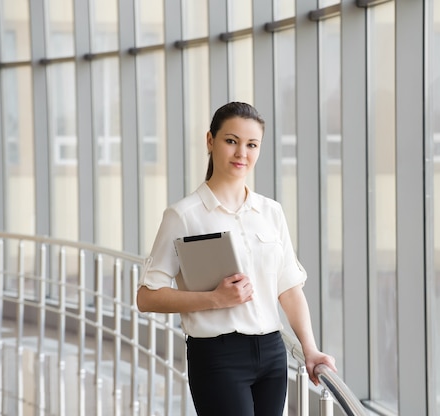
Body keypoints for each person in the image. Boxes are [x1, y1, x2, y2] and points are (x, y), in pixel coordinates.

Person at [136, 101, 336, 415]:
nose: (242, 153)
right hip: (217, 356)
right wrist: (214, 299)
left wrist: (310, 349)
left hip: (272, 352)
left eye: (251, 144)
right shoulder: (183, 215)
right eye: (231, 141)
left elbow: (289, 288)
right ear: (210, 141)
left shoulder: (271, 212)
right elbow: (147, 298)